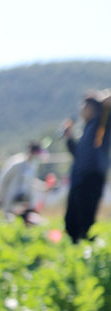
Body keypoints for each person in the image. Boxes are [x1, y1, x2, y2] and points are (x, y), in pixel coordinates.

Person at [62, 90, 111, 243]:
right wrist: (69, 137)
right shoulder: (87, 129)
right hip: (78, 179)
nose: (81, 109)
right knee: (72, 220)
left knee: (85, 219)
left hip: (91, 178)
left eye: (85, 106)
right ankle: (75, 250)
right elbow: (77, 154)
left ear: (92, 108)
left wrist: (101, 101)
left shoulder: (102, 124)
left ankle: (88, 252)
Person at [0, 142, 45, 224]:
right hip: (12, 198)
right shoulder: (17, 163)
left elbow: (31, 181)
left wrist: (43, 186)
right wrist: (1, 196)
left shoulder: (33, 165)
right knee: (9, 219)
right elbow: (4, 179)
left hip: (24, 199)